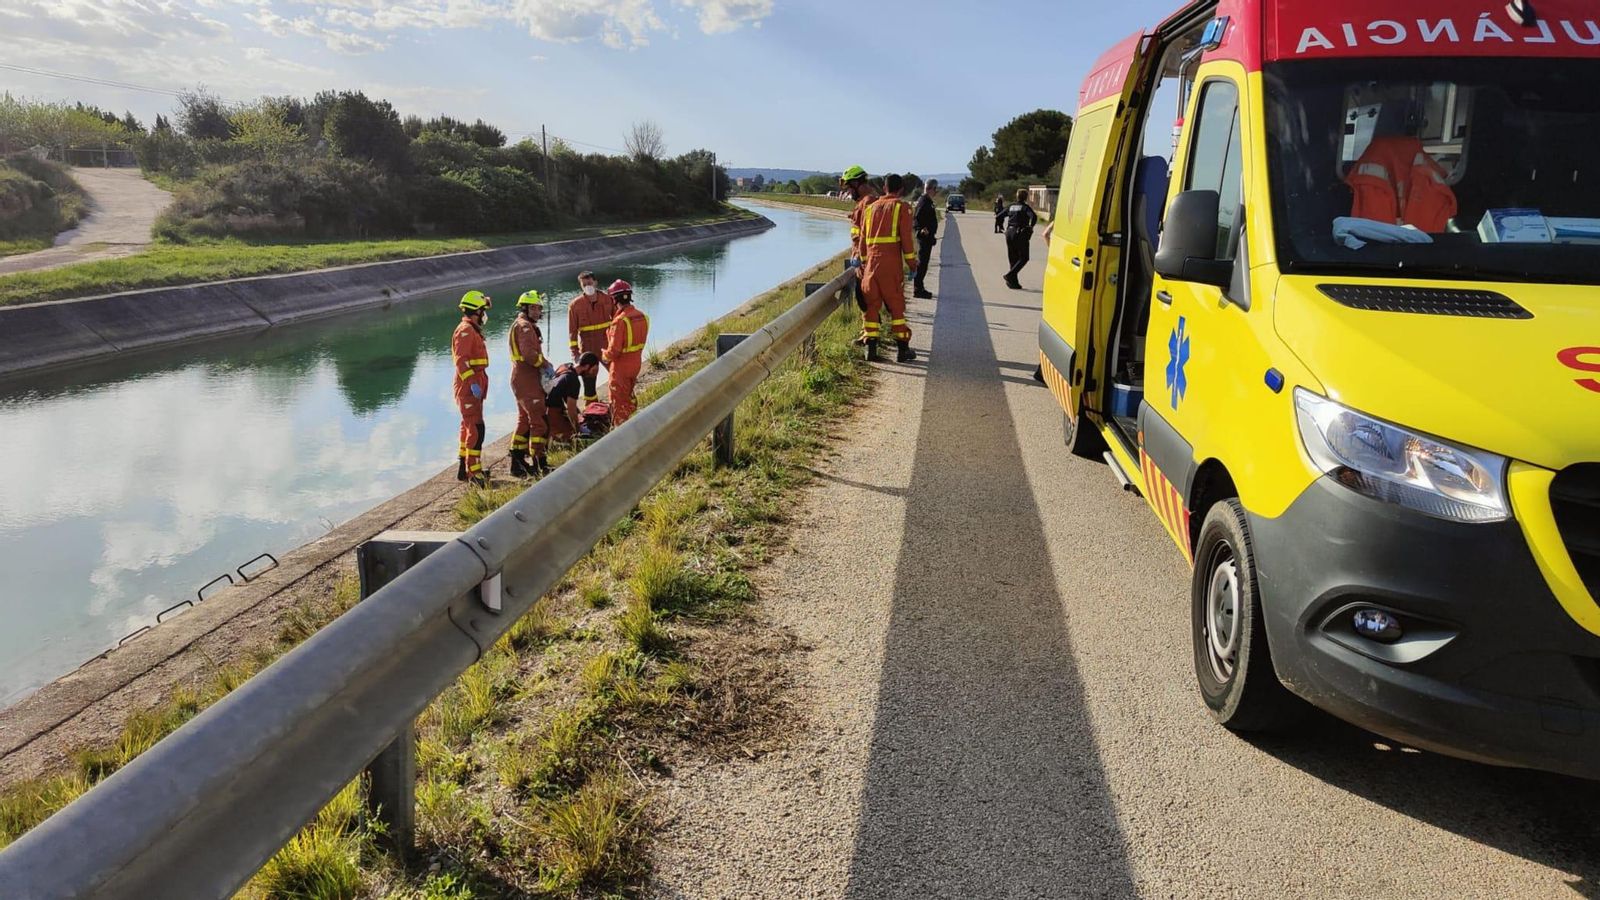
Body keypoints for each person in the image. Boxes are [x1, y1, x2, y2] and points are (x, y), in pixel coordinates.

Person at [859, 173, 919, 363]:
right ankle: (902, 350)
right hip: (890, 265)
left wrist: (863, 263)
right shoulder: (902, 207)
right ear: (901, 189)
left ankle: (871, 349)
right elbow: (907, 241)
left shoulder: (869, 209)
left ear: (884, 188)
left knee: (871, 307)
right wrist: (912, 264)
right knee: (896, 307)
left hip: (870, 266)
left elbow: (862, 241)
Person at [507, 289, 550, 479]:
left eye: (538, 308)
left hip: (522, 378)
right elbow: (529, 354)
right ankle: (540, 463)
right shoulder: (525, 327)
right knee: (538, 421)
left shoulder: (522, 324)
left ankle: (516, 462)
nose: (537, 311)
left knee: (524, 420)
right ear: (525, 308)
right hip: (527, 377)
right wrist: (546, 365)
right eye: (533, 308)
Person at [451, 290, 492, 486]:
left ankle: (463, 467)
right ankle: (474, 473)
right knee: (476, 428)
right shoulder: (466, 331)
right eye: (483, 309)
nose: (485, 314)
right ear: (476, 310)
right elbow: (461, 361)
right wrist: (472, 383)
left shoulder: (472, 329)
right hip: (469, 386)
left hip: (475, 382)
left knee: (467, 426)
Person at [566, 270, 616, 406]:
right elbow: (572, 333)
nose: (587, 286)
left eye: (589, 283)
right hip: (587, 350)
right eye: (584, 284)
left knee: (616, 375)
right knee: (589, 383)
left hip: (607, 346)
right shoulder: (575, 305)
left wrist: (618, 344)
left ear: (595, 282)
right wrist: (576, 355)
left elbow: (618, 322)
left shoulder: (608, 300)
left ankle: (619, 405)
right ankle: (592, 410)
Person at [603, 279, 649, 425]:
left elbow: (614, 351)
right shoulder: (642, 316)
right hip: (636, 363)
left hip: (620, 367)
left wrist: (605, 355)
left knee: (618, 401)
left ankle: (621, 432)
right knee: (628, 395)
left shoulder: (619, 321)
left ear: (614, 299)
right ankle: (632, 423)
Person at [840, 165, 879, 313]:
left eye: (849, 188)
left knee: (865, 299)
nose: (849, 193)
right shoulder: (864, 202)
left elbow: (864, 234)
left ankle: (872, 334)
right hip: (866, 259)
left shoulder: (867, 202)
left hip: (866, 260)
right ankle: (870, 333)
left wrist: (858, 256)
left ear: (856, 184)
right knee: (865, 299)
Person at [544, 352, 603, 443]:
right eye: (594, 371)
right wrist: (578, 430)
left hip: (544, 407)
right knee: (570, 436)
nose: (593, 375)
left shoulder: (565, 367)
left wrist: (578, 415)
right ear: (587, 367)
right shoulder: (574, 381)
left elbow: (562, 393)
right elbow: (571, 409)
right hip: (552, 412)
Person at [998, 188, 1039, 289]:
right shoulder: (1025, 207)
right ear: (1026, 197)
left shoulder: (1011, 206)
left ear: (1017, 196)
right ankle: (1010, 276)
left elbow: (999, 216)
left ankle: (1013, 283)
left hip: (1009, 233)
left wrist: (1001, 227)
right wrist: (1030, 227)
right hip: (1020, 233)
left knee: (1013, 258)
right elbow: (1033, 217)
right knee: (1024, 257)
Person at [913, 179, 938, 300]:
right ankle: (918, 288)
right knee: (922, 263)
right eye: (935, 189)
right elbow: (917, 217)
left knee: (924, 263)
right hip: (924, 237)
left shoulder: (927, 201)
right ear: (930, 189)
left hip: (928, 237)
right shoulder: (923, 201)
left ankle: (920, 286)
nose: (936, 192)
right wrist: (922, 229)